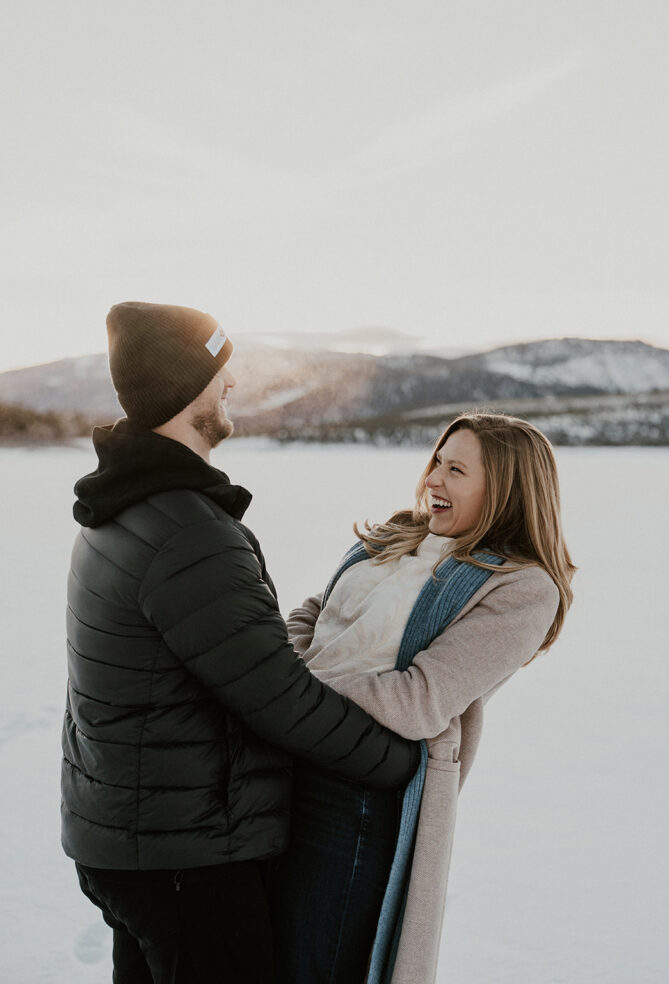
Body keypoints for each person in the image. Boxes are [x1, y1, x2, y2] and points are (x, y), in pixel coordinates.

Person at [60, 300, 420, 984]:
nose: (232, 385)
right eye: (219, 372)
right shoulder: (184, 531)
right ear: (181, 388)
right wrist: (401, 760)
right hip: (186, 858)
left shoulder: (120, 510)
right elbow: (275, 694)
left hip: (132, 841)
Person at [268, 412, 576, 984]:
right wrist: (290, 677)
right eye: (437, 460)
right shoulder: (398, 534)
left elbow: (418, 702)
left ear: (505, 490)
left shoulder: (520, 589)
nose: (433, 478)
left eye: (456, 470)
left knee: (313, 965)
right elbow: (312, 611)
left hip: (352, 797)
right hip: (276, 761)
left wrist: (291, 689)